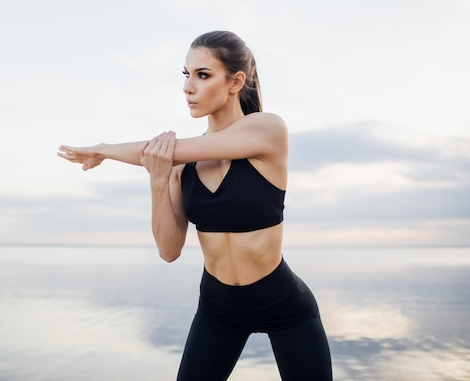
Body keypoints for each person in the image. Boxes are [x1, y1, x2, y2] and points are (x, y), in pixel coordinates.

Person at [58, 31, 332, 381]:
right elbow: (169, 251)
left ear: (236, 81)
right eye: (186, 75)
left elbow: (166, 150)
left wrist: (103, 149)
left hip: (283, 304)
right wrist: (158, 180)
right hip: (218, 308)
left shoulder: (268, 130)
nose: (188, 87)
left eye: (203, 75)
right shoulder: (181, 164)